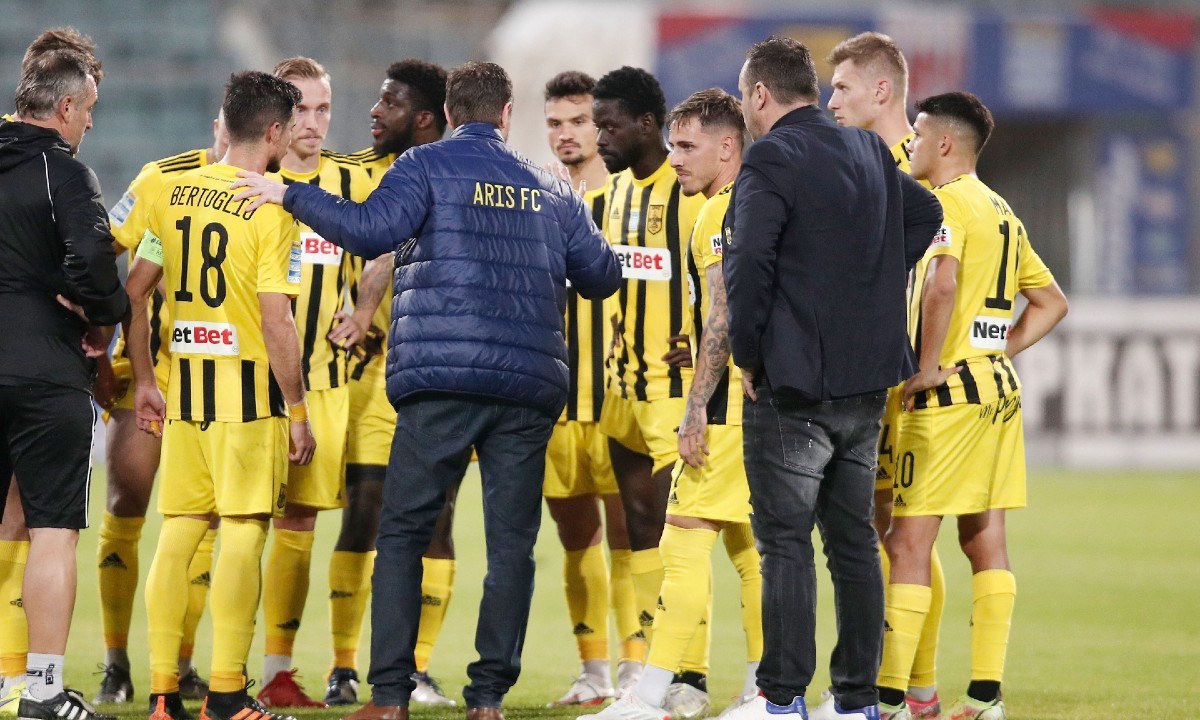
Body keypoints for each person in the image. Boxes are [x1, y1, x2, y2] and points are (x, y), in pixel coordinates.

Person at [231, 61, 621, 720]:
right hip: (527, 388)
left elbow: (368, 231)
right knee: (511, 547)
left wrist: (289, 195)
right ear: (506, 115)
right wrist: (571, 217)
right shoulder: (552, 189)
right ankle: (488, 699)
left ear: (448, 113)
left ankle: (389, 697)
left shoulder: (423, 167)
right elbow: (603, 276)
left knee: (404, 533)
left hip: (440, 378)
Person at [724, 36, 942, 720]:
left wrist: (748, 354)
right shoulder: (868, 150)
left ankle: (783, 698)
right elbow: (926, 213)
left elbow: (748, 263)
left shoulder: (771, 157)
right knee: (852, 543)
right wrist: (867, 282)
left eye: (744, 96)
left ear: (761, 95)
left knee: (784, 542)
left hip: (794, 386)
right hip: (866, 383)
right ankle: (854, 701)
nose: (744, 108)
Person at [127, 70, 314, 720]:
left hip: (185, 399)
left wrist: (145, 378)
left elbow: (135, 289)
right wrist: (298, 410)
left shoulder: (171, 194)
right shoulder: (273, 209)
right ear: (273, 131)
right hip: (248, 403)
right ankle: (229, 695)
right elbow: (277, 320)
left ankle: (162, 695)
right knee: (241, 532)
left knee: (178, 533)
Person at [875, 92, 1068, 720]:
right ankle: (986, 696)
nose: (911, 144)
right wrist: (996, 350)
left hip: (948, 401)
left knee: (907, 543)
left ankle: (887, 699)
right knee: (986, 539)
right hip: (996, 392)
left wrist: (927, 367)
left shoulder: (946, 202)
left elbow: (942, 283)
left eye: (919, 133)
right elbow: (1052, 302)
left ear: (945, 144)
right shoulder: (1003, 211)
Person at [587, 88, 763, 720]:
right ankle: (763, 691)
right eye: (674, 144)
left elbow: (725, 309)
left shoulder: (718, 212)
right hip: (760, 402)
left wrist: (694, 409)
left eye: (688, 146)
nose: (676, 157)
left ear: (727, 146)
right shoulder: (760, 202)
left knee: (683, 537)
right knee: (750, 547)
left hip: (725, 406)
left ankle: (653, 694)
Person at [810, 32, 946, 720]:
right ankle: (913, 690)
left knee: (898, 532)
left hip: (903, 380)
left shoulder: (920, 165)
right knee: (887, 529)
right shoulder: (867, 162)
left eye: (842, 87)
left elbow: (945, 274)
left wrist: (926, 363)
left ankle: (897, 687)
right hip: (874, 374)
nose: (831, 100)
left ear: (882, 90)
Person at [0, 46, 126, 720]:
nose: (91, 124)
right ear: (68, 106)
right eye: (91, 111)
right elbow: (94, 265)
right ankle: (44, 690)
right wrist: (103, 315)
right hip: (44, 371)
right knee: (52, 530)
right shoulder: (64, 171)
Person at [327, 59, 456, 708]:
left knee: (438, 520)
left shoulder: (455, 175)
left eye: (390, 103)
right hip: (367, 379)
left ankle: (419, 669)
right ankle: (344, 667)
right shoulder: (347, 173)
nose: (375, 112)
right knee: (364, 514)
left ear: (424, 119)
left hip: (439, 371)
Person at [93, 113, 229, 707]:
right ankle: (116, 663)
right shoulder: (163, 180)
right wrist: (106, 357)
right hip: (153, 367)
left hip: (219, 378)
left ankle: (182, 664)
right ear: (220, 124)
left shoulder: (270, 192)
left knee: (206, 522)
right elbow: (110, 263)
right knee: (127, 502)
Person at [254, 56, 374, 710]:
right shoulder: (247, 177)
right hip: (247, 386)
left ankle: (277, 670)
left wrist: (364, 308)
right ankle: (184, 669)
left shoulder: (353, 179)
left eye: (322, 108)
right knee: (226, 522)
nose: (312, 121)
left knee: (299, 521)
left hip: (323, 384)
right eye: (299, 107)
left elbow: (387, 242)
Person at [590, 66, 707, 704]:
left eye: (609, 126)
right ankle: (646, 668)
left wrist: (706, 338)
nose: (599, 137)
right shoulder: (610, 195)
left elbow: (722, 276)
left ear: (645, 124)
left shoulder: (689, 192)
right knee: (637, 524)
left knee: (680, 532)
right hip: (621, 386)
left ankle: (690, 675)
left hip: (674, 389)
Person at [540, 70, 638, 708]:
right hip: (555, 402)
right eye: (556, 123)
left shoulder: (632, 201)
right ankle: (594, 671)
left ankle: (636, 669)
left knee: (630, 535)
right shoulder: (539, 202)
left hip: (619, 400)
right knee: (576, 538)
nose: (567, 134)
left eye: (579, 121)